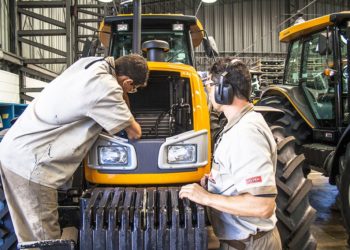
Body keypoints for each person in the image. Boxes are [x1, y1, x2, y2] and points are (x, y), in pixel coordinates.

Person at [0, 54, 149, 243]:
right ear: (127, 82)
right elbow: (134, 133)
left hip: (16, 149)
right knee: (42, 237)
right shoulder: (105, 87)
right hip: (30, 163)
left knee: (27, 228)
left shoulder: (91, 63)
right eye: (134, 89)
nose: (132, 91)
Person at [180, 58, 282, 250]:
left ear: (222, 90)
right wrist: (218, 181)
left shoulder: (246, 133)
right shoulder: (238, 125)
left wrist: (206, 198)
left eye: (209, 85)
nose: (208, 92)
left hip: (251, 244)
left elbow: (262, 206)